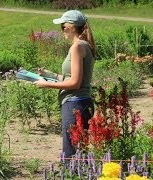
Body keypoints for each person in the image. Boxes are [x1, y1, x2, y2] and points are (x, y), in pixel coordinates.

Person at [33, 10, 96, 158]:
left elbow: (74, 83)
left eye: (63, 27)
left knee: (71, 152)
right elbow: (72, 77)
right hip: (83, 102)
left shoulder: (77, 47)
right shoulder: (84, 45)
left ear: (73, 27)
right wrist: (51, 75)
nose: (62, 30)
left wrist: (46, 84)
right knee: (80, 151)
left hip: (74, 104)